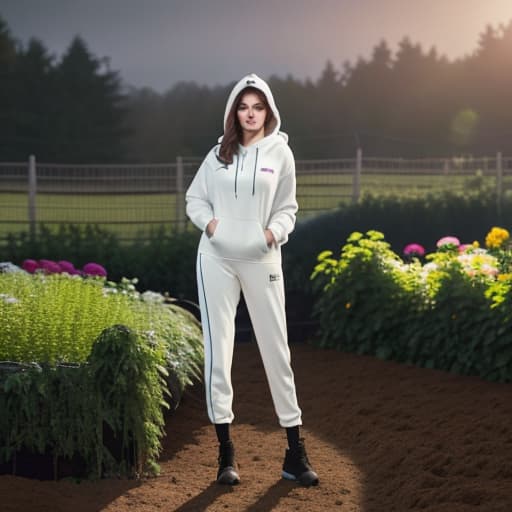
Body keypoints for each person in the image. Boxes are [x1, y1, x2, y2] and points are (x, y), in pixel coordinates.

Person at [185, 73, 318, 487]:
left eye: (257, 107)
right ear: (233, 112)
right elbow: (194, 199)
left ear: (269, 111)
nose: (250, 114)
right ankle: (226, 455)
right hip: (216, 260)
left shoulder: (280, 152)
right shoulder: (217, 154)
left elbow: (288, 208)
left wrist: (270, 235)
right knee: (218, 353)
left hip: (262, 260)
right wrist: (210, 227)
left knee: (277, 350)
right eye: (243, 107)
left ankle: (294, 454)